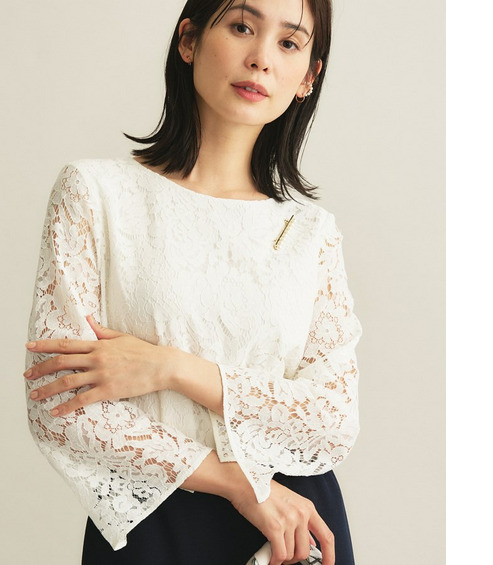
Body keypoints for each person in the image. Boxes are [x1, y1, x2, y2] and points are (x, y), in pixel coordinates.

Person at [24, 0, 362, 563]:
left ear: (308, 77)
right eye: (241, 27)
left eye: (288, 43)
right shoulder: (96, 194)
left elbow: (333, 420)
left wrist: (171, 368)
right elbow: (60, 403)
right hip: (154, 521)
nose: (261, 59)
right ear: (189, 40)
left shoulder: (311, 233)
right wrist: (240, 484)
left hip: (293, 529)